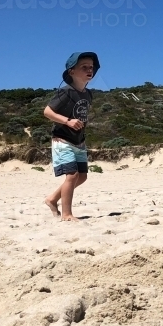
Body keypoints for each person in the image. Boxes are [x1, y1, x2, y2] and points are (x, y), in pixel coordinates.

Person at [44, 52, 99, 221]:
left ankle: (52, 199)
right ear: (72, 71)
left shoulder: (88, 94)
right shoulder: (65, 92)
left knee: (82, 176)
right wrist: (67, 121)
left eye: (91, 67)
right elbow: (47, 111)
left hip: (79, 140)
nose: (89, 70)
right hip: (62, 139)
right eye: (84, 67)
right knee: (72, 175)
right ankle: (66, 214)